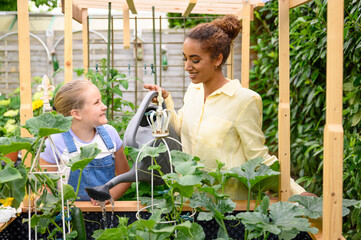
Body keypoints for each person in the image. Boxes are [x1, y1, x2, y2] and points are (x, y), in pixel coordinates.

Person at [144, 15, 311, 200]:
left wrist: (299, 193)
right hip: (190, 201)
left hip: (227, 208)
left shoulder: (245, 100)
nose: (187, 66)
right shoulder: (194, 90)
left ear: (217, 60)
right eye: (185, 59)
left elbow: (259, 158)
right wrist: (166, 100)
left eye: (195, 60)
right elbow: (183, 128)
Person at [40, 80, 131, 204]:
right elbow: (44, 187)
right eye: (96, 103)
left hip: (105, 212)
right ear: (76, 114)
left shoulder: (110, 135)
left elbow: (125, 177)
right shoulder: (55, 141)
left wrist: (109, 195)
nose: (104, 106)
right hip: (68, 215)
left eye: (101, 101)